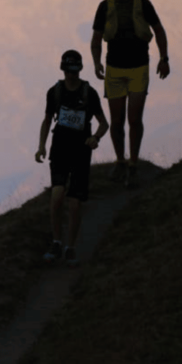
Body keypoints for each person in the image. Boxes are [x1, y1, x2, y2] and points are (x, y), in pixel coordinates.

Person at [90, 0, 170, 189]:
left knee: (134, 119)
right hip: (114, 69)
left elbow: (159, 30)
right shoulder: (104, 6)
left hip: (138, 68)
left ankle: (133, 164)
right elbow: (96, 40)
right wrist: (96, 62)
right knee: (116, 121)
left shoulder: (143, 3)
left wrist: (164, 59)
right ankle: (121, 161)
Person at [35, 50, 108, 267]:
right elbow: (47, 120)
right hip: (59, 149)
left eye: (74, 70)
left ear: (80, 70)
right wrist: (41, 146)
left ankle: (70, 247)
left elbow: (104, 123)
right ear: (63, 70)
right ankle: (57, 242)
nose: (71, 74)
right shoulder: (55, 92)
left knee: (75, 204)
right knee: (57, 195)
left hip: (81, 153)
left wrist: (95, 138)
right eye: (68, 70)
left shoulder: (89, 93)